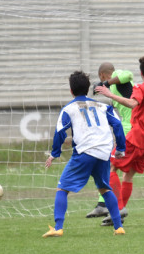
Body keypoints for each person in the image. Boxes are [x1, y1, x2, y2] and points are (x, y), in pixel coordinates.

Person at [87, 62, 144, 226]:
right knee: (128, 174)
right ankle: (115, 211)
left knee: (110, 166)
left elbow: (127, 76)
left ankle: (117, 208)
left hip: (134, 134)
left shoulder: (128, 81)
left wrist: (106, 87)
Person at [43, 70, 127, 237]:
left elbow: (60, 132)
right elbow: (117, 124)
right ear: (89, 88)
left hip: (85, 152)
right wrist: (120, 149)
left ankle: (58, 228)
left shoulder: (69, 109)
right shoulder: (103, 106)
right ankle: (118, 227)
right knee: (104, 188)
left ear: (71, 90)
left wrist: (54, 153)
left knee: (62, 188)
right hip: (103, 152)